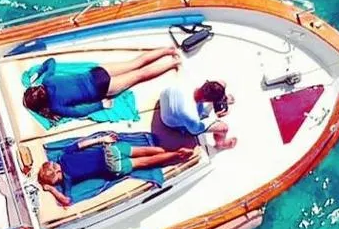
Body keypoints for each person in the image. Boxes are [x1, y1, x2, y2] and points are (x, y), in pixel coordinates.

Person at [36, 133, 195, 208]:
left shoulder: (67, 178)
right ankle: (172, 149)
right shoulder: (64, 156)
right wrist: (102, 139)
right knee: (144, 150)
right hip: (111, 151)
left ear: (57, 176)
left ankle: (176, 155)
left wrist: (51, 189)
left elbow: (67, 201)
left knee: (145, 162)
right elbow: (82, 144)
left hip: (113, 167)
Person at [23, 49, 180, 120]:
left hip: (102, 88)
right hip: (96, 73)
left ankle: (173, 63)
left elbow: (79, 112)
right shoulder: (47, 80)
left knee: (140, 75)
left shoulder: (55, 107)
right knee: (135, 63)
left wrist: (100, 105)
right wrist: (39, 72)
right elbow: (51, 61)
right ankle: (168, 50)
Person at [158, 75, 237, 149]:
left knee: (222, 83)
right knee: (223, 128)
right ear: (206, 100)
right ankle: (221, 144)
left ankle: (220, 97)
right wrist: (214, 120)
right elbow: (195, 130)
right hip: (170, 122)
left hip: (166, 100)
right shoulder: (191, 116)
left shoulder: (189, 81)